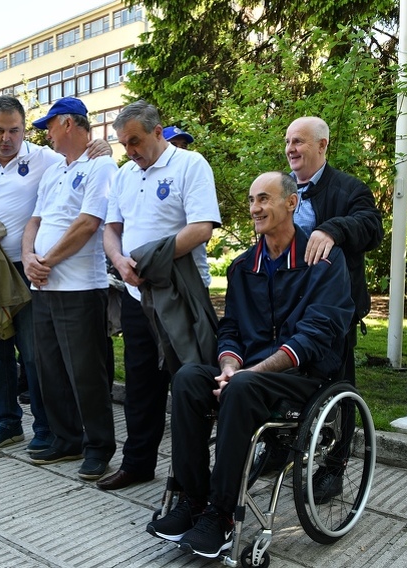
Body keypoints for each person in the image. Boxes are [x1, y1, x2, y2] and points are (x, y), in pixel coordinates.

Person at [145, 172, 355, 558]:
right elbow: (232, 329)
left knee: (242, 388)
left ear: (291, 203)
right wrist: (228, 365)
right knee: (190, 377)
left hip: (303, 378)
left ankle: (222, 516)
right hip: (248, 377)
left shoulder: (322, 259)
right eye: (251, 200)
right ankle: (193, 502)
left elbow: (319, 332)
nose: (255, 208)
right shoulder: (244, 266)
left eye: (264, 199)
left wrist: (248, 374)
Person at [0, 95, 111, 452]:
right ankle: (7, 421)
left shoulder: (45, 158)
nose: (6, 138)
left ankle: (46, 426)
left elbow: (80, 155)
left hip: (31, 269)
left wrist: (102, 143)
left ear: (24, 128)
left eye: (14, 130)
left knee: (36, 354)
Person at [98, 100, 221, 491]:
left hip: (180, 294)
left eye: (135, 140)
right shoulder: (123, 175)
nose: (130, 150)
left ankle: (190, 473)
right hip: (136, 294)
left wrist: (150, 260)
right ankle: (137, 463)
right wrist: (120, 261)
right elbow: (111, 229)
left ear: (157, 131)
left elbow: (202, 228)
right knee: (140, 383)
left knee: (187, 381)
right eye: (123, 144)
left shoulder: (190, 165)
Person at [22, 97, 117, 480]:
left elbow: (89, 223)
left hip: (78, 287)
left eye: (49, 125)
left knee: (86, 372)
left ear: (66, 123)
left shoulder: (101, 165)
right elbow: (35, 221)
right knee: (51, 369)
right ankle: (65, 438)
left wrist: (46, 262)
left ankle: (98, 446)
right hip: (44, 287)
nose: (46, 132)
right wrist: (29, 255)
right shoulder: (53, 172)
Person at [284, 116, 383, 380]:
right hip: (283, 302)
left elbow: (372, 227)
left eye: (298, 141)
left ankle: (341, 421)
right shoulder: (277, 188)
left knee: (335, 389)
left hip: (332, 309)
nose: (290, 148)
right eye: (287, 142)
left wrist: (333, 230)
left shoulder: (350, 189)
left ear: (321, 145)